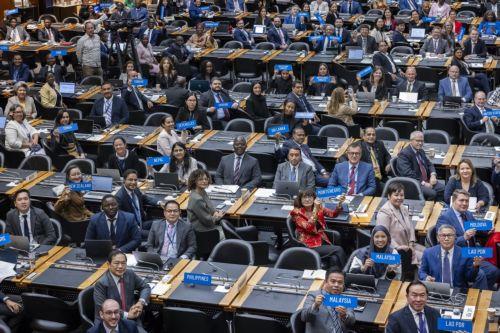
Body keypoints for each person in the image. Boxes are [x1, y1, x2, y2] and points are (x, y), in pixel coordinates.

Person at [419, 224, 488, 291]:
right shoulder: (428, 253)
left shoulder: (464, 254)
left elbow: (470, 278)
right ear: (438, 238)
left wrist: (475, 266)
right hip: (435, 290)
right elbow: (422, 271)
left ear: (455, 237)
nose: (446, 239)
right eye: (443, 235)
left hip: (458, 292)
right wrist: (425, 277)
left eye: (450, 235)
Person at [290, 190, 346, 268]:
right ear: (300, 200)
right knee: (339, 249)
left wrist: (339, 203)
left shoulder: (319, 208)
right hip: (309, 245)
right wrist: (315, 210)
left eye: (309, 197)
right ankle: (346, 273)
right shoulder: (296, 213)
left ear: (314, 199)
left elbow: (333, 214)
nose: (307, 199)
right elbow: (309, 227)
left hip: (322, 240)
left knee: (335, 258)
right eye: (304, 197)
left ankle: (334, 274)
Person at [93, 250, 150, 322]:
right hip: (109, 321)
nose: (120, 266)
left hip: (132, 319)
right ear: (108, 264)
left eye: (123, 263)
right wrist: (127, 315)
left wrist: (141, 302)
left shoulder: (130, 274)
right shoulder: (101, 283)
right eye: (116, 263)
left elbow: (145, 287)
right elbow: (104, 309)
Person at [376, 182, 423, 266]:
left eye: (401, 195)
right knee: (426, 258)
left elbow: (411, 226)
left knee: (430, 254)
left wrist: (411, 243)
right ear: (389, 196)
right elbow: (382, 237)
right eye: (396, 195)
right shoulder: (384, 213)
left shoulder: (403, 208)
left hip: (409, 245)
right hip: (395, 251)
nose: (399, 198)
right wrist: (398, 247)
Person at [396, 131, 445, 201]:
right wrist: (424, 183)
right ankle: (426, 208)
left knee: (443, 189)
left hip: (427, 180)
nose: (420, 143)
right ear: (411, 141)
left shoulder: (420, 151)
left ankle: (437, 207)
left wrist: (433, 175)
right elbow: (408, 174)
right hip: (414, 183)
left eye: (422, 141)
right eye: (418, 141)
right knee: (432, 193)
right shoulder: (404, 154)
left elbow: (429, 164)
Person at [115, 169, 159, 239]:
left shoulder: (136, 189)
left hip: (142, 223)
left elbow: (144, 198)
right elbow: (121, 220)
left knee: (161, 223)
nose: (133, 182)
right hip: (132, 229)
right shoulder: (119, 197)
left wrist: (159, 202)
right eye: (130, 180)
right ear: (124, 181)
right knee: (156, 235)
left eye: (135, 180)